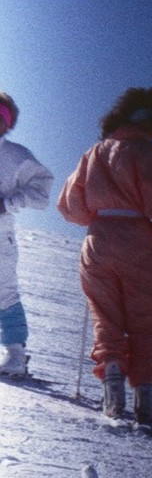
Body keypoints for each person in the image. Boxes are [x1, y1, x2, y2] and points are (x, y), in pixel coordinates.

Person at [56, 89, 152, 428]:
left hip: (98, 240)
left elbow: (71, 206)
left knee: (105, 316)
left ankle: (111, 391)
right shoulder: (148, 153)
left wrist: (99, 213)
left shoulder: (94, 153)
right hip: (138, 240)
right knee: (144, 320)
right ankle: (146, 401)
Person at [0, 95, 56, 380]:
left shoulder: (16, 156)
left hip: (0, 236)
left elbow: (42, 191)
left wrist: (7, 203)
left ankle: (16, 354)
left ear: (5, 124)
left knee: (4, 291)